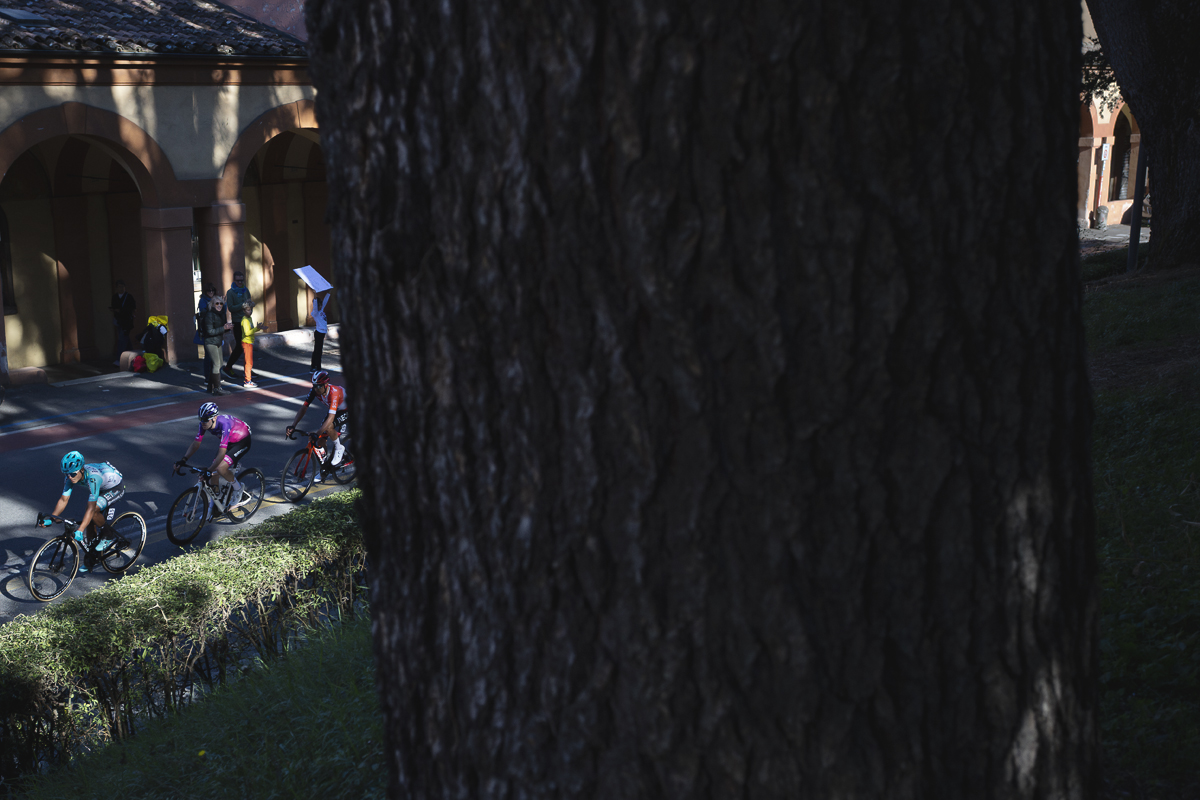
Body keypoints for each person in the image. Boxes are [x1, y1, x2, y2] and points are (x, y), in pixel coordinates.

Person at [41, 451, 125, 573]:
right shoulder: (71, 476)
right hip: (100, 487)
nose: (70, 477)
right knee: (89, 521)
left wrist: (80, 530)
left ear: (81, 470)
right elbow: (64, 499)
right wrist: (53, 518)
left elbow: (91, 508)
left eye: (72, 474)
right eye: (66, 474)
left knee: (93, 510)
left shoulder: (92, 478)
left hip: (115, 487)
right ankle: (92, 555)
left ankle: (109, 535)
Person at [174, 402, 253, 508]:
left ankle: (239, 490)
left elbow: (221, 453)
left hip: (242, 440)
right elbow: (196, 444)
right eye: (200, 419)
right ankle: (217, 500)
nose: (202, 422)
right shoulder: (204, 424)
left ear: (214, 418)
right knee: (213, 472)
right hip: (229, 441)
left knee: (220, 468)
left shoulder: (224, 424)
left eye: (205, 419)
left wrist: (209, 471)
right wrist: (183, 460)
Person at [285, 370, 348, 481]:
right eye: (314, 386)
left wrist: (317, 433)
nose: (316, 389)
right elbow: (304, 407)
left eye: (319, 386)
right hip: (334, 410)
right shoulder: (315, 391)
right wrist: (293, 425)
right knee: (320, 441)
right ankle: (325, 469)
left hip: (346, 409)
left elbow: (331, 418)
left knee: (328, 428)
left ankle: (339, 448)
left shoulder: (334, 392)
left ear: (325, 385)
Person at [198, 294, 232, 395]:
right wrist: (224, 328)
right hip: (210, 342)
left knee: (219, 364)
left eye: (221, 303)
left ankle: (210, 386)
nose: (219, 305)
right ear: (212, 304)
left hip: (217, 341)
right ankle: (217, 388)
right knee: (217, 364)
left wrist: (226, 328)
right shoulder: (209, 315)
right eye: (217, 303)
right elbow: (210, 331)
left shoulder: (220, 314)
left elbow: (220, 329)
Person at [222, 270, 253, 380]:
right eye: (238, 281)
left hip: (247, 321)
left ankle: (248, 369)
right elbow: (231, 308)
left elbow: (250, 303)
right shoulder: (230, 292)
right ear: (234, 280)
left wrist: (250, 308)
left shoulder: (245, 290)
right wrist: (243, 305)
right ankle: (228, 367)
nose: (240, 282)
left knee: (247, 345)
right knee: (240, 347)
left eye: (242, 280)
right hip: (238, 322)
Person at [237, 300, 267, 389]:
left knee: (248, 362)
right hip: (247, 342)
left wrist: (258, 328)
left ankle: (248, 378)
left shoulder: (248, 319)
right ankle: (247, 380)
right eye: (248, 310)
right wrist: (256, 329)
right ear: (244, 311)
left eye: (250, 310)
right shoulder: (245, 320)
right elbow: (247, 333)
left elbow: (251, 330)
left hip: (249, 342)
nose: (250, 311)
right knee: (249, 362)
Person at [110, 280, 136, 365]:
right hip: (118, 321)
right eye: (119, 286)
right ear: (116, 288)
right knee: (126, 339)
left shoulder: (129, 297)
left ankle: (119, 359)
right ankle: (134, 355)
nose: (121, 288)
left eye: (122, 286)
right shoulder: (114, 297)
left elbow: (133, 307)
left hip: (126, 321)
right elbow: (113, 306)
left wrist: (122, 310)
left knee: (121, 339)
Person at [194, 283, 218, 379]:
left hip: (216, 330)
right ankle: (207, 377)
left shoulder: (217, 300)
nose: (211, 292)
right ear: (205, 291)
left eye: (212, 290)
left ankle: (215, 376)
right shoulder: (203, 301)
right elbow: (204, 313)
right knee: (208, 355)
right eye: (209, 290)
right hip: (207, 330)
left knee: (216, 356)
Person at [310, 289, 332, 374]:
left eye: (320, 305)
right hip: (319, 333)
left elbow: (325, 301)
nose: (320, 306)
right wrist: (315, 294)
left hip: (322, 333)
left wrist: (329, 292)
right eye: (319, 305)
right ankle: (316, 368)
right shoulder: (315, 313)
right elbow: (315, 305)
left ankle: (315, 367)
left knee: (318, 350)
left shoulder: (321, 310)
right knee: (318, 351)